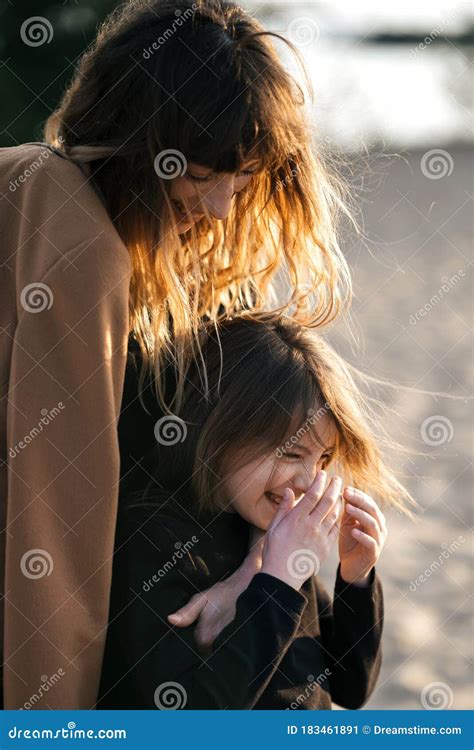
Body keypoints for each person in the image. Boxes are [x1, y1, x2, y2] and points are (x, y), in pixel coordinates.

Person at [0, 1, 352, 708]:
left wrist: (261, 565)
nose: (223, 207)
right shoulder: (69, 228)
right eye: (198, 173)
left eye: (244, 175)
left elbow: (256, 450)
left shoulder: (157, 258)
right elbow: (49, 522)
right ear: (133, 140)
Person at [97, 313, 413, 710]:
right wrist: (276, 582)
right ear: (219, 432)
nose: (307, 481)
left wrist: (356, 577)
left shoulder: (272, 536)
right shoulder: (157, 539)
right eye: (292, 453)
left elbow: (351, 688)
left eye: (323, 459)